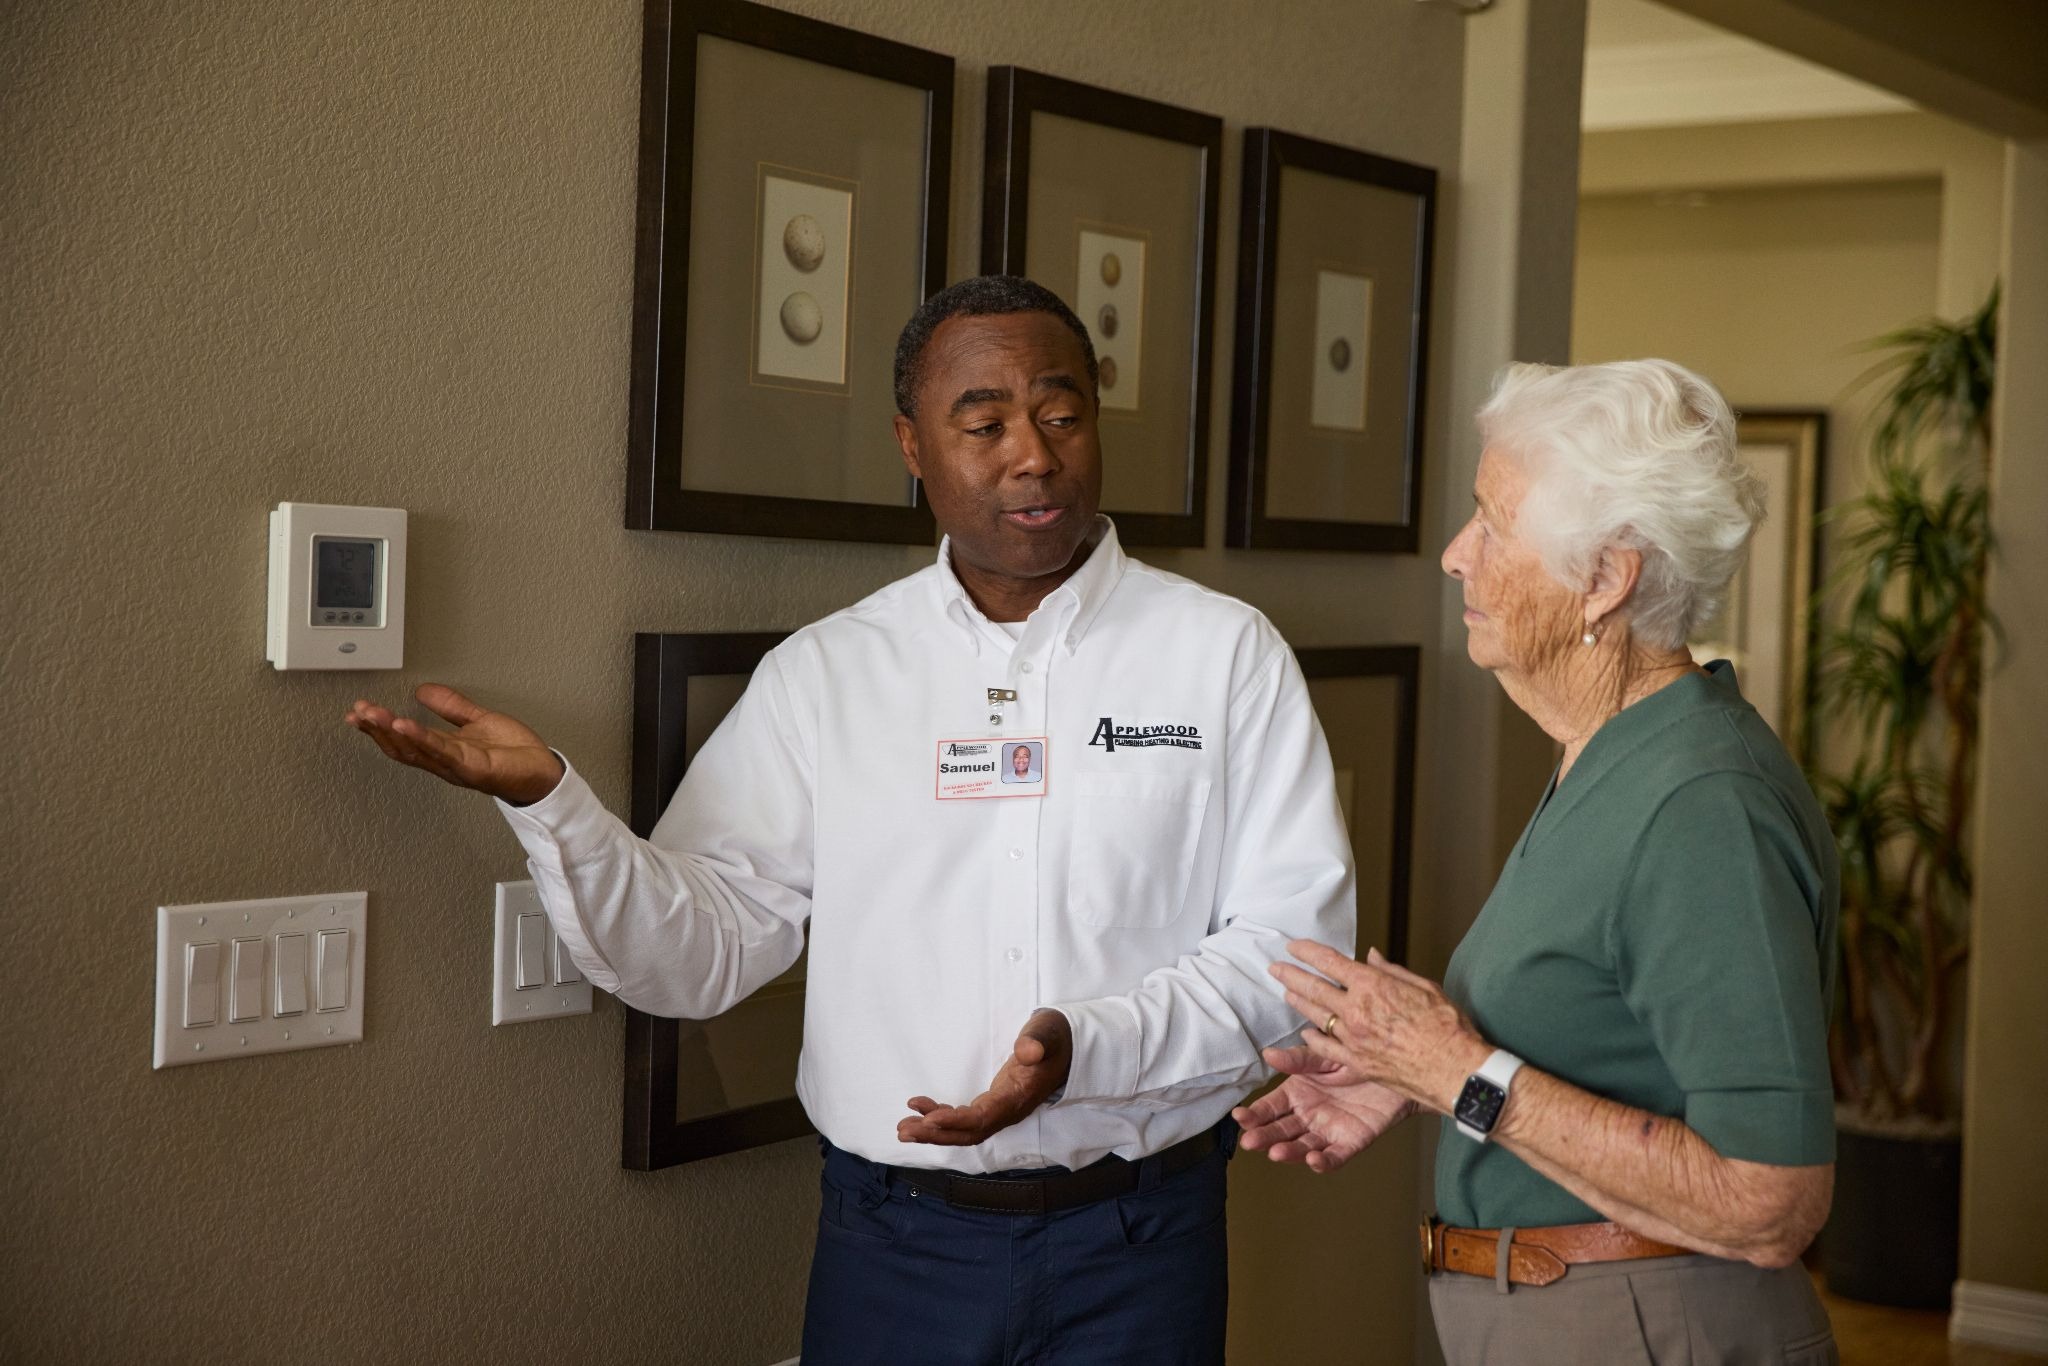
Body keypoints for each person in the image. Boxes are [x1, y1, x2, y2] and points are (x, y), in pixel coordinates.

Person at [346, 275, 1354, 1364]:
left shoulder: (1220, 654)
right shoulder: (826, 676)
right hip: (897, 1248)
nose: (1032, 454)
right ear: (911, 445)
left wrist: (1082, 1046)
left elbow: (1293, 958)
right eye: (983, 423)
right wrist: (553, 805)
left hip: (1141, 1238)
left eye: (1061, 415)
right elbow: (703, 950)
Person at [1235, 360, 1841, 1365]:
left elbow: (1769, 1199)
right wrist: (1415, 1071)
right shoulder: (1608, 754)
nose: (1452, 555)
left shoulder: (1698, 806)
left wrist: (1454, 1068)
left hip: (1647, 1327)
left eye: (1490, 522)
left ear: (1604, 578)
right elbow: (1607, 1036)